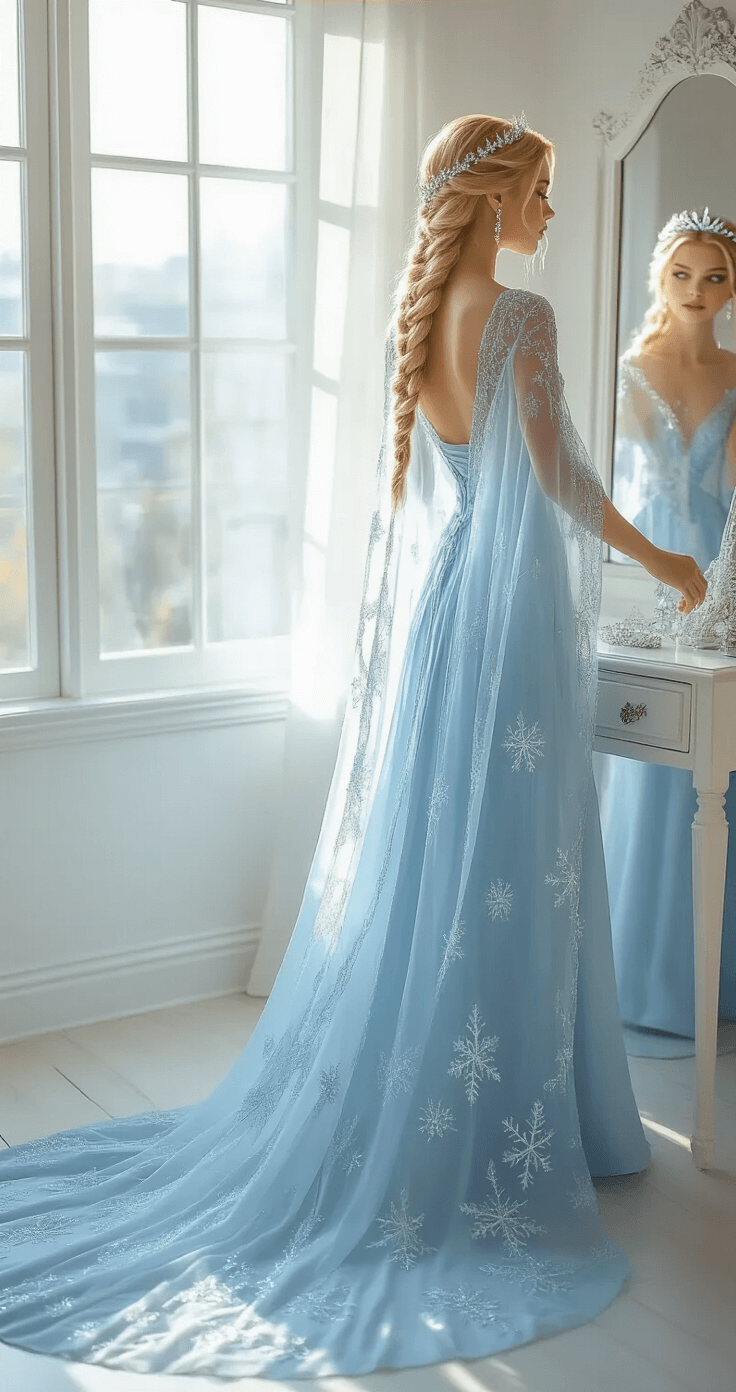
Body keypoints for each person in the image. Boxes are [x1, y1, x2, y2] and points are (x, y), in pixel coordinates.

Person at [0, 115, 706, 1380]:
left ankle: (482, 1104)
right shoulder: (521, 316)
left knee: (453, 862)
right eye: (539, 191)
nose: (548, 212)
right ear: (492, 200)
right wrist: (665, 560)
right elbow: (555, 482)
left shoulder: (426, 314)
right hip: (513, 633)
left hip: (452, 620)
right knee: (512, 865)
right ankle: (497, 1126)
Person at [601, 210, 736, 1050]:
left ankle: (713, 980)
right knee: (652, 770)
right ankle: (644, 973)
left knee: (720, 764)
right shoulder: (625, 371)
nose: (696, 290)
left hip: (720, 561)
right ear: (660, 276)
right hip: (648, 565)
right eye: (682, 273)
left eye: (714, 275)